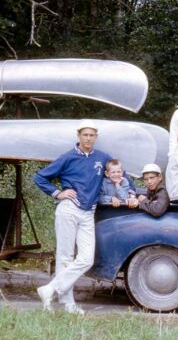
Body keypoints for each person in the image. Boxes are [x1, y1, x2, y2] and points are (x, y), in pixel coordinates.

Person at [34, 119, 111, 315]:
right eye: (85, 135)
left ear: (96, 137)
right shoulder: (67, 157)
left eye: (92, 135)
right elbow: (40, 177)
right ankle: (68, 304)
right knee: (65, 257)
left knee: (86, 259)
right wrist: (58, 193)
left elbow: (119, 175)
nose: (88, 138)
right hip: (69, 208)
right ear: (78, 136)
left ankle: (50, 289)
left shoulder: (102, 158)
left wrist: (134, 193)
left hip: (88, 212)